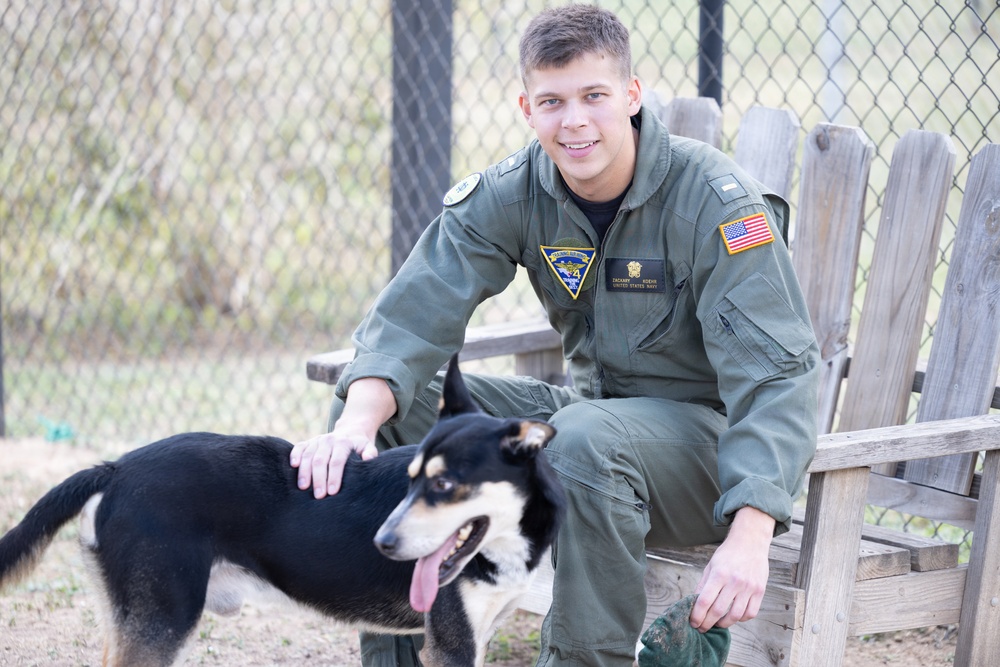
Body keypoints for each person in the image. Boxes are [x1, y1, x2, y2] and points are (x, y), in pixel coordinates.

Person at [292, 4, 820, 666]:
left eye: (594, 96)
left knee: (584, 439)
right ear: (527, 107)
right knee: (396, 401)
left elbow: (777, 377)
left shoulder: (714, 203)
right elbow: (416, 307)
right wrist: (357, 424)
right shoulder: (520, 190)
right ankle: (412, 654)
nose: (574, 121)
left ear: (631, 96)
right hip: (590, 428)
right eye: (553, 101)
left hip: (707, 456)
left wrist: (750, 533)